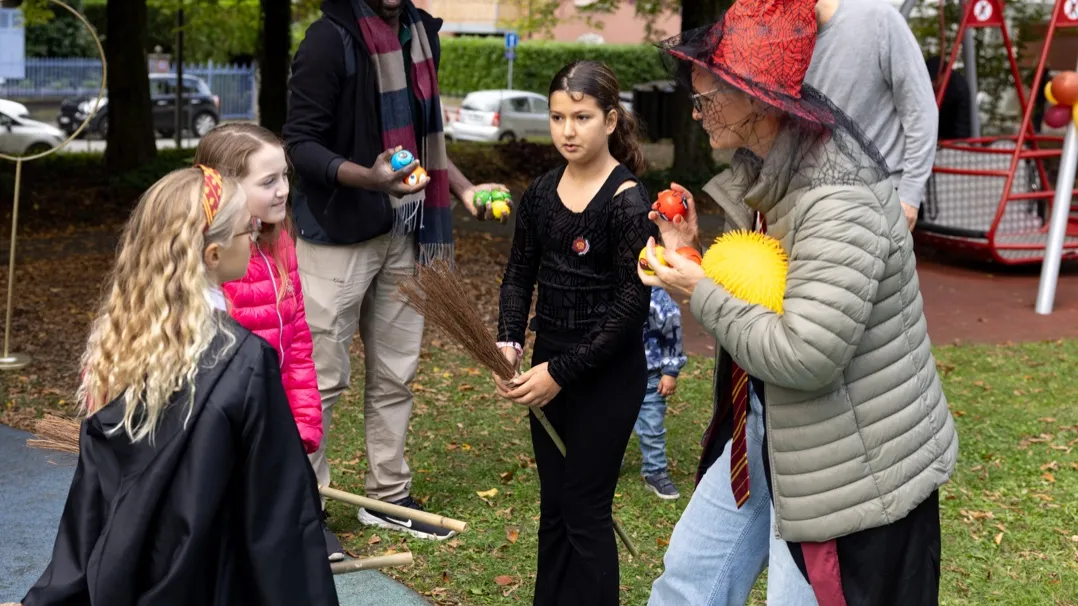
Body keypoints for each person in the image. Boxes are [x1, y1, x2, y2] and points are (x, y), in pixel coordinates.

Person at [641, 0, 958, 604]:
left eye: (707, 100)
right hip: (768, 428)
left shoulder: (837, 201)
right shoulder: (777, 171)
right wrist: (691, 256)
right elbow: (774, 287)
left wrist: (698, 291)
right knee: (687, 583)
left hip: (845, 470)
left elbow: (808, 354)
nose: (697, 113)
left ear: (757, 101)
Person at [22, 167, 338, 605]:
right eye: (248, 230)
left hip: (125, 580)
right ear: (212, 254)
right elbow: (276, 517)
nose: (256, 237)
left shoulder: (116, 349)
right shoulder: (244, 364)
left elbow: (90, 506)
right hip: (208, 580)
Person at [284, 0, 509, 541]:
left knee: (395, 372)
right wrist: (370, 177)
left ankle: (387, 496)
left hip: (405, 230)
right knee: (320, 379)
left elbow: (425, 145)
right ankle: (301, 507)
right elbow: (299, 146)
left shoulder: (419, 36)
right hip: (336, 235)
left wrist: (462, 187)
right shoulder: (327, 40)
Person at [495, 59, 656, 605]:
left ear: (610, 121)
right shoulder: (540, 194)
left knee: (585, 508)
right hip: (548, 363)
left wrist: (560, 374)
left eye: (582, 117)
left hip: (605, 373)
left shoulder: (628, 202)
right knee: (555, 506)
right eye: (557, 116)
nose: (567, 130)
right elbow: (519, 272)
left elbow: (632, 306)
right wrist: (509, 338)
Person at [193, 123, 344, 561]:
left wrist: (302, 425)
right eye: (268, 181)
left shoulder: (280, 242)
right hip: (231, 434)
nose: (282, 190)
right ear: (227, 187)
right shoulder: (216, 263)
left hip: (273, 424)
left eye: (285, 177)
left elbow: (297, 345)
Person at [796, 0, 939, 232]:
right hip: (815, 194)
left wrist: (910, 195)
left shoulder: (878, 18)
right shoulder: (787, 40)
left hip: (878, 193)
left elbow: (921, 112)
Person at [634, 285, 686, 500]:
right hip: (613, 376)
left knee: (652, 427)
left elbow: (673, 336)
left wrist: (670, 371)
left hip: (650, 377)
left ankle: (654, 471)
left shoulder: (659, 300)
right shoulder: (608, 290)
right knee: (608, 424)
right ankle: (604, 467)